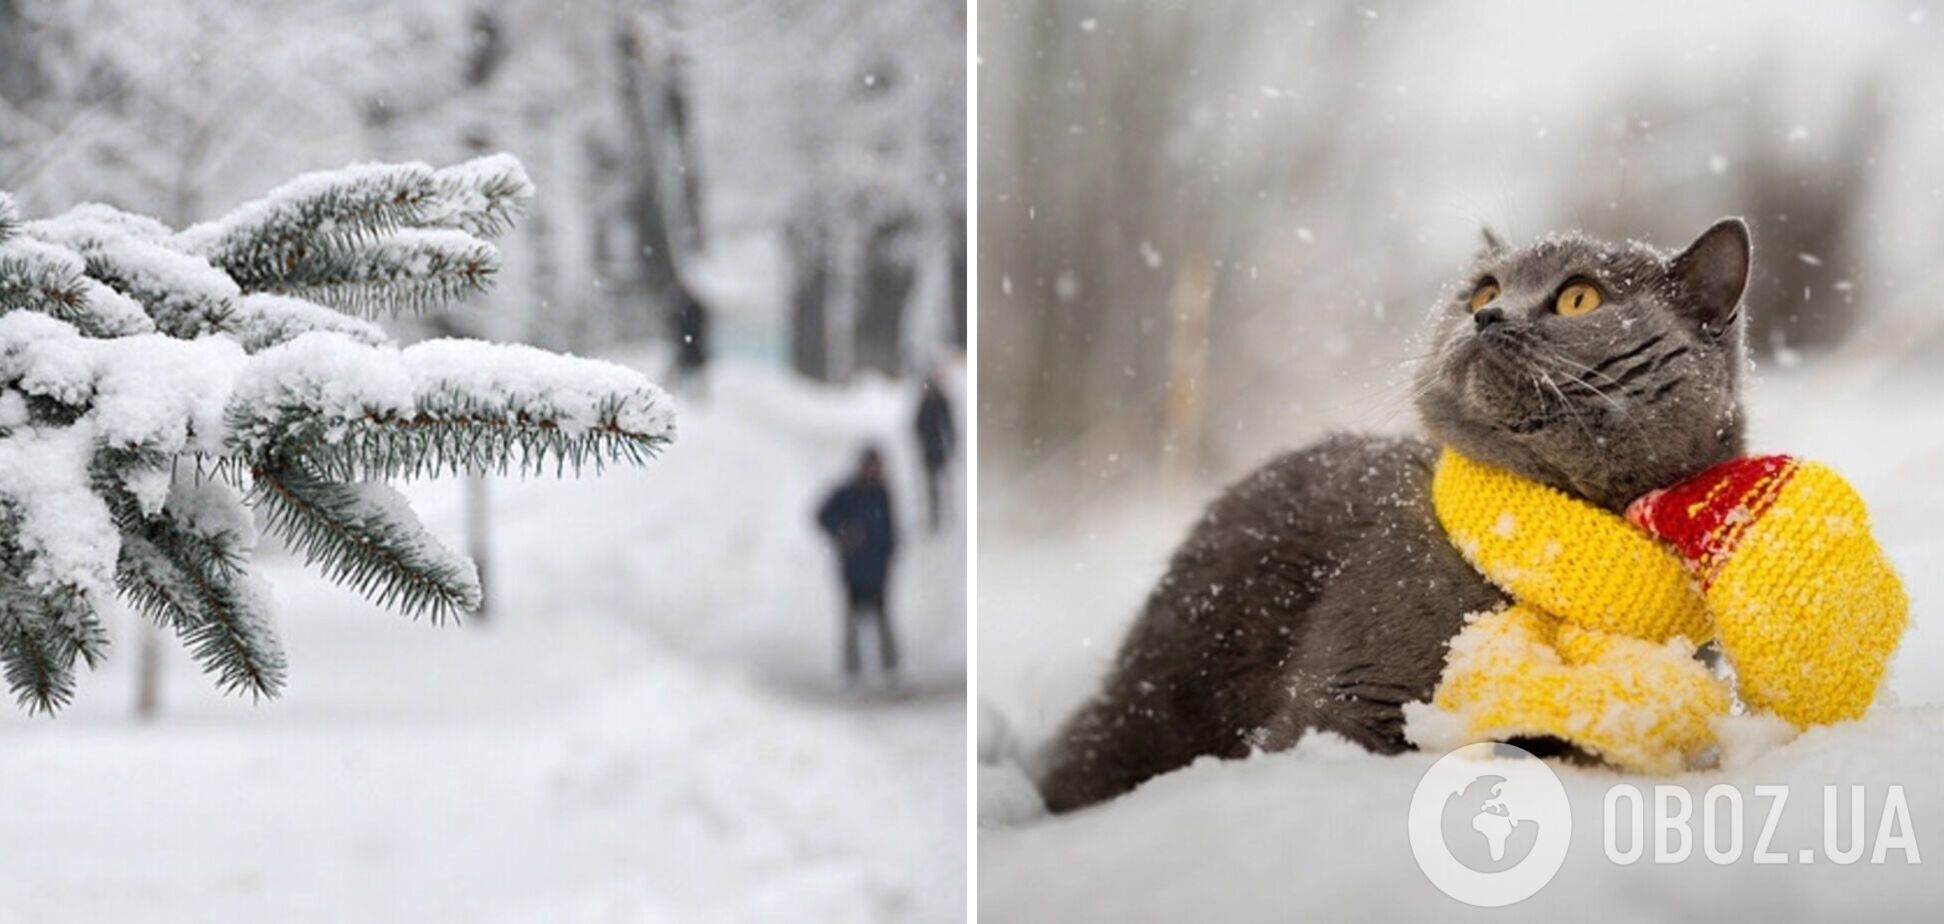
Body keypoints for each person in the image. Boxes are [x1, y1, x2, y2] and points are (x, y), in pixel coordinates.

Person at [816, 447, 899, 683]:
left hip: (878, 570)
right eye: (871, 465)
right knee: (851, 622)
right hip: (853, 570)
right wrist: (842, 532)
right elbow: (822, 515)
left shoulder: (882, 494)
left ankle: (890, 668)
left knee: (883, 621)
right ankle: (852, 670)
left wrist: (890, 553)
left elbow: (890, 530)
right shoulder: (848, 493)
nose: (874, 470)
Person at [912, 374, 956, 531]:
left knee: (939, 481)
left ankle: (941, 511)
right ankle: (935, 513)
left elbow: (948, 425)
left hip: (937, 448)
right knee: (932, 484)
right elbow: (917, 425)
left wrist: (951, 443)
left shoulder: (939, 402)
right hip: (930, 448)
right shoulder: (927, 403)